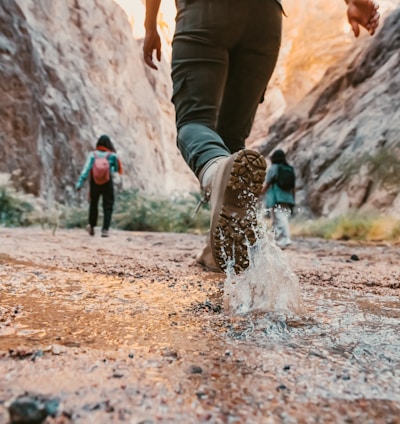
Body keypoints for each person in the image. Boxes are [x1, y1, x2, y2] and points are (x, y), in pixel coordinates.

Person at [143, 0, 380, 273]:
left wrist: (150, 26)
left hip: (204, 14)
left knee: (193, 124)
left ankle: (215, 174)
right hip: (265, 19)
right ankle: (219, 249)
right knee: (231, 143)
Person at [75, 135, 122, 237]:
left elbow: (86, 169)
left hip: (95, 182)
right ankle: (105, 230)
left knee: (93, 204)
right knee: (108, 206)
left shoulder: (93, 155)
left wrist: (80, 182)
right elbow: (116, 169)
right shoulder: (112, 155)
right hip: (107, 182)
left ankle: (91, 227)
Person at [261, 149, 295, 248]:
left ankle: (285, 240)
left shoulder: (273, 168)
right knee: (283, 217)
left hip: (276, 197)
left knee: (279, 218)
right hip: (287, 197)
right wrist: (293, 198)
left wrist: (260, 193)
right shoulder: (289, 168)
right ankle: (280, 240)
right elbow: (293, 187)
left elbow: (267, 184)